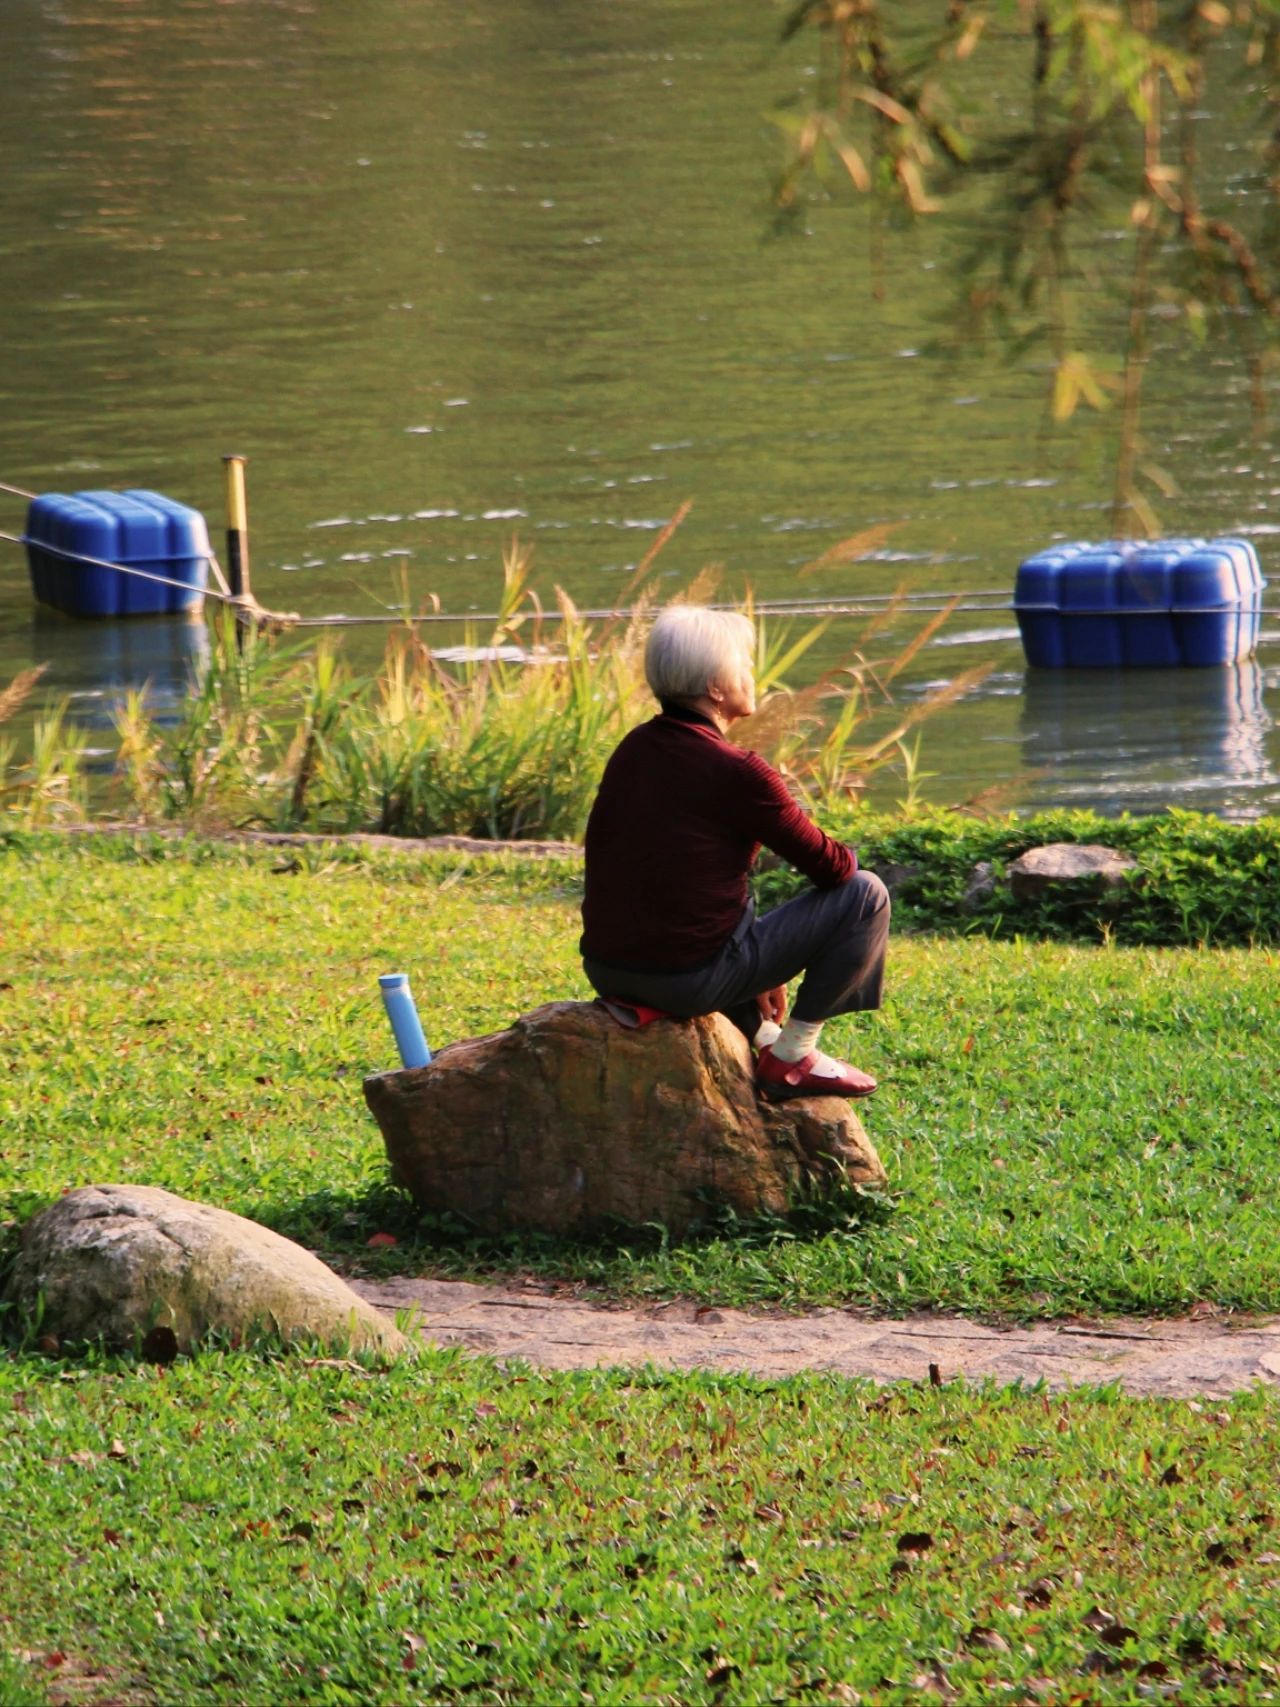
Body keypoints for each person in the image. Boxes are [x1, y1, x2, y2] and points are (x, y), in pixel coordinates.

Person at [579, 604, 889, 1101]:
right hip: (683, 981)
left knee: (727, 905)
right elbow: (832, 868)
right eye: (743, 663)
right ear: (716, 687)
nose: (752, 674)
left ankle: (757, 1033)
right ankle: (791, 1058)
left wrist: (758, 960)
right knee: (866, 894)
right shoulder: (738, 770)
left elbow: (678, 876)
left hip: (608, 968)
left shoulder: (634, 748)